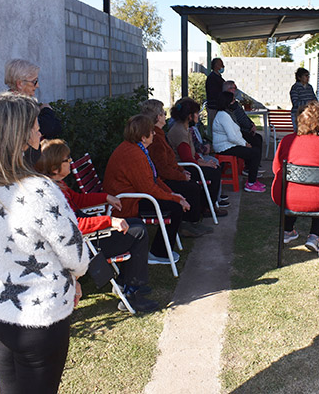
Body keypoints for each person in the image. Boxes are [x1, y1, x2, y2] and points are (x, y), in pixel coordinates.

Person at [0, 93, 88, 394]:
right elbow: (76, 255)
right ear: (21, 135)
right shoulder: (39, 190)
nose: (40, 131)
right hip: (39, 319)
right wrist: (73, 277)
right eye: (35, 125)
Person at [34, 139, 159, 313]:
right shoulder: (52, 194)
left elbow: (78, 200)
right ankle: (132, 293)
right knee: (137, 232)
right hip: (84, 244)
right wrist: (109, 221)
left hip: (86, 237)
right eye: (66, 159)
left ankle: (125, 282)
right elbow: (75, 225)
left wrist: (105, 197)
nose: (70, 162)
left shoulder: (57, 186)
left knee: (136, 224)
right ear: (55, 168)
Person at [104, 115, 190, 264]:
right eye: (152, 131)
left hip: (133, 196)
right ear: (144, 137)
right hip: (126, 203)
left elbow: (153, 180)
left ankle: (161, 250)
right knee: (175, 208)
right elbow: (148, 188)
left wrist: (172, 194)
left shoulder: (136, 149)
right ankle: (158, 253)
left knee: (175, 201)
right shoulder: (134, 154)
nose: (154, 134)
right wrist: (175, 199)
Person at [271, 101, 319, 252]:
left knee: (293, 188)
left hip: (287, 199)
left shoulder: (286, 141)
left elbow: (276, 169)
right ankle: (314, 236)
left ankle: (288, 230)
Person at [163, 98, 228, 218]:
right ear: (189, 116)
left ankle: (207, 205)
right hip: (184, 168)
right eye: (196, 113)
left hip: (190, 164)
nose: (198, 116)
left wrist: (205, 161)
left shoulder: (185, 128)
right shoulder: (179, 131)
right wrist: (206, 165)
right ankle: (208, 207)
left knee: (215, 169)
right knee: (214, 173)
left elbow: (193, 153)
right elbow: (187, 159)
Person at [212, 91, 266, 193]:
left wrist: (244, 143)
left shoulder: (228, 114)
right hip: (225, 147)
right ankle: (251, 183)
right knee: (255, 153)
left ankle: (252, 178)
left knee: (254, 149)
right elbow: (232, 137)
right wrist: (245, 144)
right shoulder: (223, 116)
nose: (235, 102)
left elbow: (236, 134)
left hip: (229, 145)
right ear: (227, 103)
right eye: (233, 100)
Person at [222, 80, 264, 175]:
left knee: (257, 138)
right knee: (255, 142)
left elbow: (243, 116)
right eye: (233, 88)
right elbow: (239, 120)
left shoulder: (235, 103)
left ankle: (254, 164)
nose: (235, 90)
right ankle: (250, 168)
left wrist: (251, 124)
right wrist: (249, 128)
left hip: (239, 132)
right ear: (228, 89)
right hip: (235, 136)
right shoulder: (228, 105)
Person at [205, 57, 225, 129]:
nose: (223, 66)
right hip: (214, 108)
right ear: (216, 66)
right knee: (215, 128)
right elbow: (214, 93)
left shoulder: (219, 77)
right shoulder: (212, 78)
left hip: (219, 107)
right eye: (221, 64)